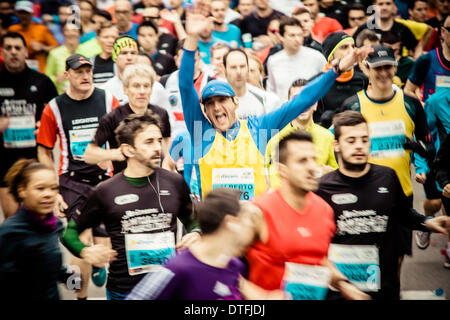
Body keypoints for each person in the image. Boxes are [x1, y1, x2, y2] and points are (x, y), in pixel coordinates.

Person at [179, 8, 371, 200]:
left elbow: (302, 100)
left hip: (255, 225)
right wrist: (192, 37)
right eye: (210, 104)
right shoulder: (200, 133)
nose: (217, 107)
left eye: (222, 100)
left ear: (236, 102)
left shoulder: (258, 128)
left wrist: (336, 70)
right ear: (204, 110)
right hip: (217, 227)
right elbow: (186, 86)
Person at [61, 111, 201, 300]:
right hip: (124, 291)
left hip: (168, 286)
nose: (158, 147)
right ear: (128, 150)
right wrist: (85, 251)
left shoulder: (175, 182)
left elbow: (193, 221)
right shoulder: (106, 191)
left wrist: (196, 233)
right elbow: (69, 233)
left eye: (159, 140)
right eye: (149, 142)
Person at [316, 110, 450, 299]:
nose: (359, 146)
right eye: (351, 140)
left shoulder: (387, 177)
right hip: (341, 291)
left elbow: (403, 213)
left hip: (384, 286)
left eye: (364, 139)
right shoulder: (323, 188)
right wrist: (340, 284)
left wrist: (428, 223)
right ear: (336, 145)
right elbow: (313, 244)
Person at [245, 130, 370, 300]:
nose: (312, 167)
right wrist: (262, 296)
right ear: (282, 170)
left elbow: (317, 258)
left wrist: (343, 284)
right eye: (302, 161)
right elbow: (224, 263)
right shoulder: (260, 211)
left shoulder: (325, 210)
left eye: (314, 159)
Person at [341, 45, 434, 272]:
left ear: (395, 68)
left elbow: (430, 150)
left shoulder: (410, 104)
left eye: (388, 67)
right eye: (378, 68)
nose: (383, 73)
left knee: (396, 261)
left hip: (400, 195)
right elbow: (340, 151)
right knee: (366, 263)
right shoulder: (353, 105)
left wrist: (412, 145)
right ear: (367, 69)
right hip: (363, 196)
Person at [37, 54, 120, 300]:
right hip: (71, 180)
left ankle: (97, 265)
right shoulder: (54, 107)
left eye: (88, 71)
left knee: (103, 248)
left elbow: (120, 136)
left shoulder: (107, 99)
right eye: (79, 71)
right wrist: (54, 190)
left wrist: (112, 155)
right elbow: (44, 149)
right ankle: (79, 296)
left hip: (103, 178)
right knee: (80, 242)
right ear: (67, 75)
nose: (85, 76)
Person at [125, 188, 254, 300]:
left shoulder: (235, 267)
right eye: (248, 221)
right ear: (230, 223)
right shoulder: (176, 270)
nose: (252, 229)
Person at [0, 159, 80, 300]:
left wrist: (70, 279)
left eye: (53, 188)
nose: (48, 194)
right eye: (40, 188)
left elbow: (48, 263)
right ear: (22, 191)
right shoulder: (9, 232)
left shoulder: (55, 225)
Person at [0, 32, 58, 219]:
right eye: (9, 48)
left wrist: (46, 125)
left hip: (36, 158)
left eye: (18, 48)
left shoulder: (42, 82)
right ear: (2, 52)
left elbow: (59, 118)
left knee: (39, 216)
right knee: (12, 218)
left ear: (26, 52)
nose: (13, 52)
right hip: (5, 160)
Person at [84, 63, 172, 175]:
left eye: (146, 86)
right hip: (124, 182)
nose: (142, 91)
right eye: (136, 86)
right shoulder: (112, 117)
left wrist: (167, 164)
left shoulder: (161, 114)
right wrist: (113, 154)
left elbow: (166, 141)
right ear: (125, 89)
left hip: (155, 179)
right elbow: (88, 155)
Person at [265, 79, 337, 189]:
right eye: (296, 99)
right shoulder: (273, 137)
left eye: (307, 98)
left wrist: (329, 174)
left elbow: (337, 177)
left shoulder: (328, 137)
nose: (302, 104)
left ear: (315, 104)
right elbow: (266, 177)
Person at [414, 87, 450, 267]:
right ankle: (428, 219)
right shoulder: (436, 102)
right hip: (438, 162)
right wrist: (421, 165)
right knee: (436, 203)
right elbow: (422, 135)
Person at [315, 31, 368, 128]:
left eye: (353, 46)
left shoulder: (363, 79)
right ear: (331, 57)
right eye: (344, 47)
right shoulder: (318, 83)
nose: (351, 51)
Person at [267, 17, 326, 101]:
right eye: (292, 35)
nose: (297, 39)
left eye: (299, 35)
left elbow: (327, 82)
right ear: (281, 36)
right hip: (285, 109)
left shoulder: (317, 57)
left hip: (309, 108)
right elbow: (272, 91)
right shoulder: (273, 60)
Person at [223, 48, 280, 119]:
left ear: (247, 68)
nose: (238, 71)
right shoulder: (216, 100)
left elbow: (273, 129)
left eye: (242, 66)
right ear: (225, 70)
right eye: (233, 67)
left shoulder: (267, 99)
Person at [404, 15, 450, 102]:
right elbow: (408, 90)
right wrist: (422, 107)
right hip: (430, 114)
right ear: (443, 32)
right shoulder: (427, 59)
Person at [352, 0, 420, 58]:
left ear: (394, 6)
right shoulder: (365, 28)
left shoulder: (401, 28)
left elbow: (416, 47)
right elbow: (353, 48)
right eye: (380, 4)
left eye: (388, 3)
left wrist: (413, 59)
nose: (384, 8)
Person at [8, 0, 58, 73]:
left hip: (39, 70)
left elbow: (56, 48)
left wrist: (42, 47)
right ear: (16, 14)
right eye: (21, 13)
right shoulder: (12, 29)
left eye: (26, 13)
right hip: (17, 69)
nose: (24, 16)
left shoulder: (41, 29)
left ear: (32, 14)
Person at [45, 22, 83, 94]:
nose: (70, 33)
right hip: (61, 96)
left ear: (80, 33)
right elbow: (47, 78)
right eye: (67, 30)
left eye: (74, 30)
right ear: (63, 33)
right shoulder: (54, 53)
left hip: (82, 95)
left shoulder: (86, 52)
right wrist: (56, 79)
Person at [90, 22, 119, 87]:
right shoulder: (91, 62)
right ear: (98, 39)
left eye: (114, 37)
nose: (111, 41)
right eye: (106, 37)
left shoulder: (123, 61)